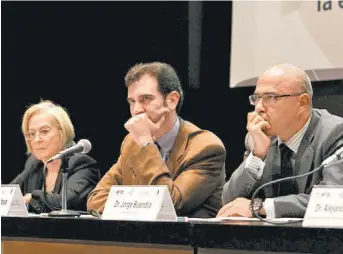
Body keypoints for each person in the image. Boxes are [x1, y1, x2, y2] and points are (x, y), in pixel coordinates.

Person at [87, 62, 226, 218]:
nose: (136, 110)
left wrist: (147, 144)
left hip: (189, 240)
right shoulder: (132, 142)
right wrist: (141, 205)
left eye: (146, 99)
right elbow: (96, 198)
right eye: (132, 101)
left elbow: (170, 205)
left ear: (172, 100)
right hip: (140, 239)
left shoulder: (206, 147)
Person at [219, 63, 343, 218]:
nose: (259, 107)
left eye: (270, 97)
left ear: (302, 102)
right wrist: (257, 156)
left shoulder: (335, 134)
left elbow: (332, 203)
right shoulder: (257, 138)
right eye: (256, 98)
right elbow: (229, 203)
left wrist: (260, 207)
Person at [12, 100, 101, 213]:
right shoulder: (34, 164)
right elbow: (9, 193)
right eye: (32, 134)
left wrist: (32, 198)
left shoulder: (82, 164)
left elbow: (68, 202)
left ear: (62, 132)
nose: (37, 139)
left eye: (44, 131)